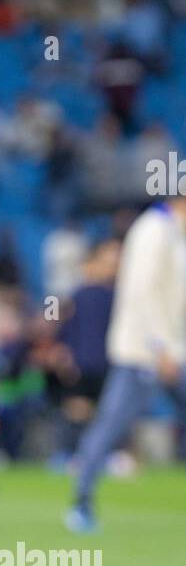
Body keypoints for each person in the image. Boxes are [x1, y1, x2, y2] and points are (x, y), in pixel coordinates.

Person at [66, 200, 186, 532]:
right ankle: (81, 504)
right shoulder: (153, 230)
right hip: (144, 352)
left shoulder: (174, 233)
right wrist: (160, 346)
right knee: (110, 425)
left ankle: (81, 501)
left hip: (172, 349)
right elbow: (143, 292)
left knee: (109, 424)